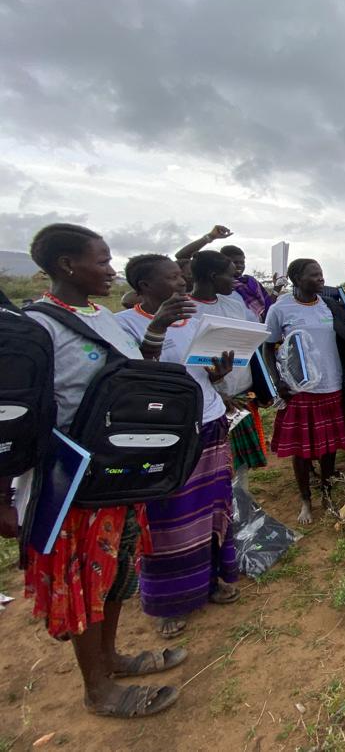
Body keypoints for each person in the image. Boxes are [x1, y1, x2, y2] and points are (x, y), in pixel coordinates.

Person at [20, 224, 190, 718]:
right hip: (70, 477)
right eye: (101, 260)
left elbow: (137, 372)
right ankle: (97, 688)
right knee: (82, 580)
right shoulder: (37, 326)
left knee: (113, 574)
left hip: (119, 468)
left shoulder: (104, 318)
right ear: (67, 265)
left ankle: (111, 657)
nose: (111, 270)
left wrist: (157, 328)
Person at [117, 255, 239, 639]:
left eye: (182, 275)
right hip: (162, 436)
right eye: (172, 277)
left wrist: (219, 373)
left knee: (213, 508)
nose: (183, 282)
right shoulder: (125, 325)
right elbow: (134, 376)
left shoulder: (200, 322)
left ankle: (212, 577)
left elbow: (205, 371)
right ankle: (167, 601)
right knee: (166, 520)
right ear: (144, 286)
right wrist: (159, 326)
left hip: (208, 421)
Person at [264, 259, 345, 524]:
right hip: (299, 388)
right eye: (314, 275)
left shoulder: (329, 305)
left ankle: (326, 491)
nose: (321, 279)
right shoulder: (281, 309)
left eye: (322, 274)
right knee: (301, 450)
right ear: (297, 279)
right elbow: (268, 346)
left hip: (331, 383)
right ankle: (305, 500)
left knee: (328, 448)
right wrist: (277, 379)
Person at [189, 250, 268, 494]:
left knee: (240, 464)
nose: (234, 282)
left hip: (241, 395)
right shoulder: (186, 311)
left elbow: (252, 334)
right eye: (229, 276)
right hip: (209, 401)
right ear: (213, 276)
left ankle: (239, 511)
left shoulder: (234, 302)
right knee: (214, 463)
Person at [219, 244, 278, 321]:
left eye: (242, 262)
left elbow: (268, 307)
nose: (240, 265)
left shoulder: (251, 282)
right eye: (235, 262)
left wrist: (277, 288)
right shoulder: (220, 286)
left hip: (256, 328)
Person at [175, 225, 233, 293]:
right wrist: (210, 236)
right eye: (190, 274)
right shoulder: (176, 301)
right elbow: (181, 256)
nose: (196, 276)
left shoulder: (230, 294)